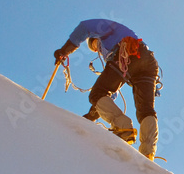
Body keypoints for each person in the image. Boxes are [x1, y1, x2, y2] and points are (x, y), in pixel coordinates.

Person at [53, 19, 160, 160]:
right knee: (146, 109)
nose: (96, 49)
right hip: (147, 62)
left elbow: (85, 26)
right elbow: (112, 92)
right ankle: (148, 151)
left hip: (127, 52)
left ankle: (124, 128)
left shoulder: (107, 30)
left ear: (96, 38)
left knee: (97, 93)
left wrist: (64, 50)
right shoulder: (113, 46)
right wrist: (93, 114)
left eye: (95, 45)